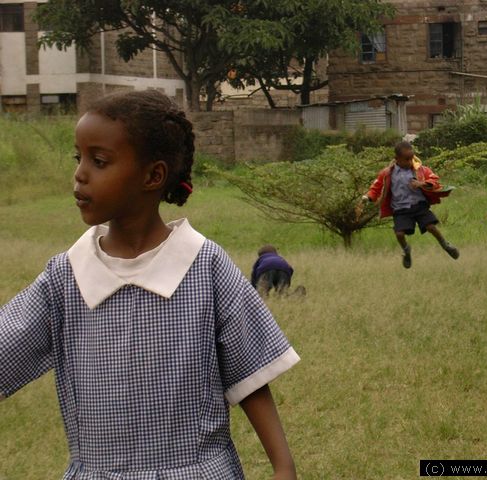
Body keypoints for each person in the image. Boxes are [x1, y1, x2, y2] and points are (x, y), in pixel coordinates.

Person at [0, 90, 299, 479]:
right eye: (79, 158)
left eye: (100, 160)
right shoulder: (65, 278)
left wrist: (283, 465)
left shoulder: (206, 267)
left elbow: (249, 377)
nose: (80, 173)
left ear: (153, 175)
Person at [360, 141, 459, 268]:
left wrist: (421, 184)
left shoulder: (421, 170)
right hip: (400, 209)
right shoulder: (387, 173)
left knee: (431, 227)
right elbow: (376, 187)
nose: (409, 162)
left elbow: (434, 180)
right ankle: (406, 250)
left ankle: (446, 245)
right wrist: (368, 197)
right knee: (399, 234)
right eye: (406, 159)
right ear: (397, 159)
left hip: (419, 205)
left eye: (411, 158)